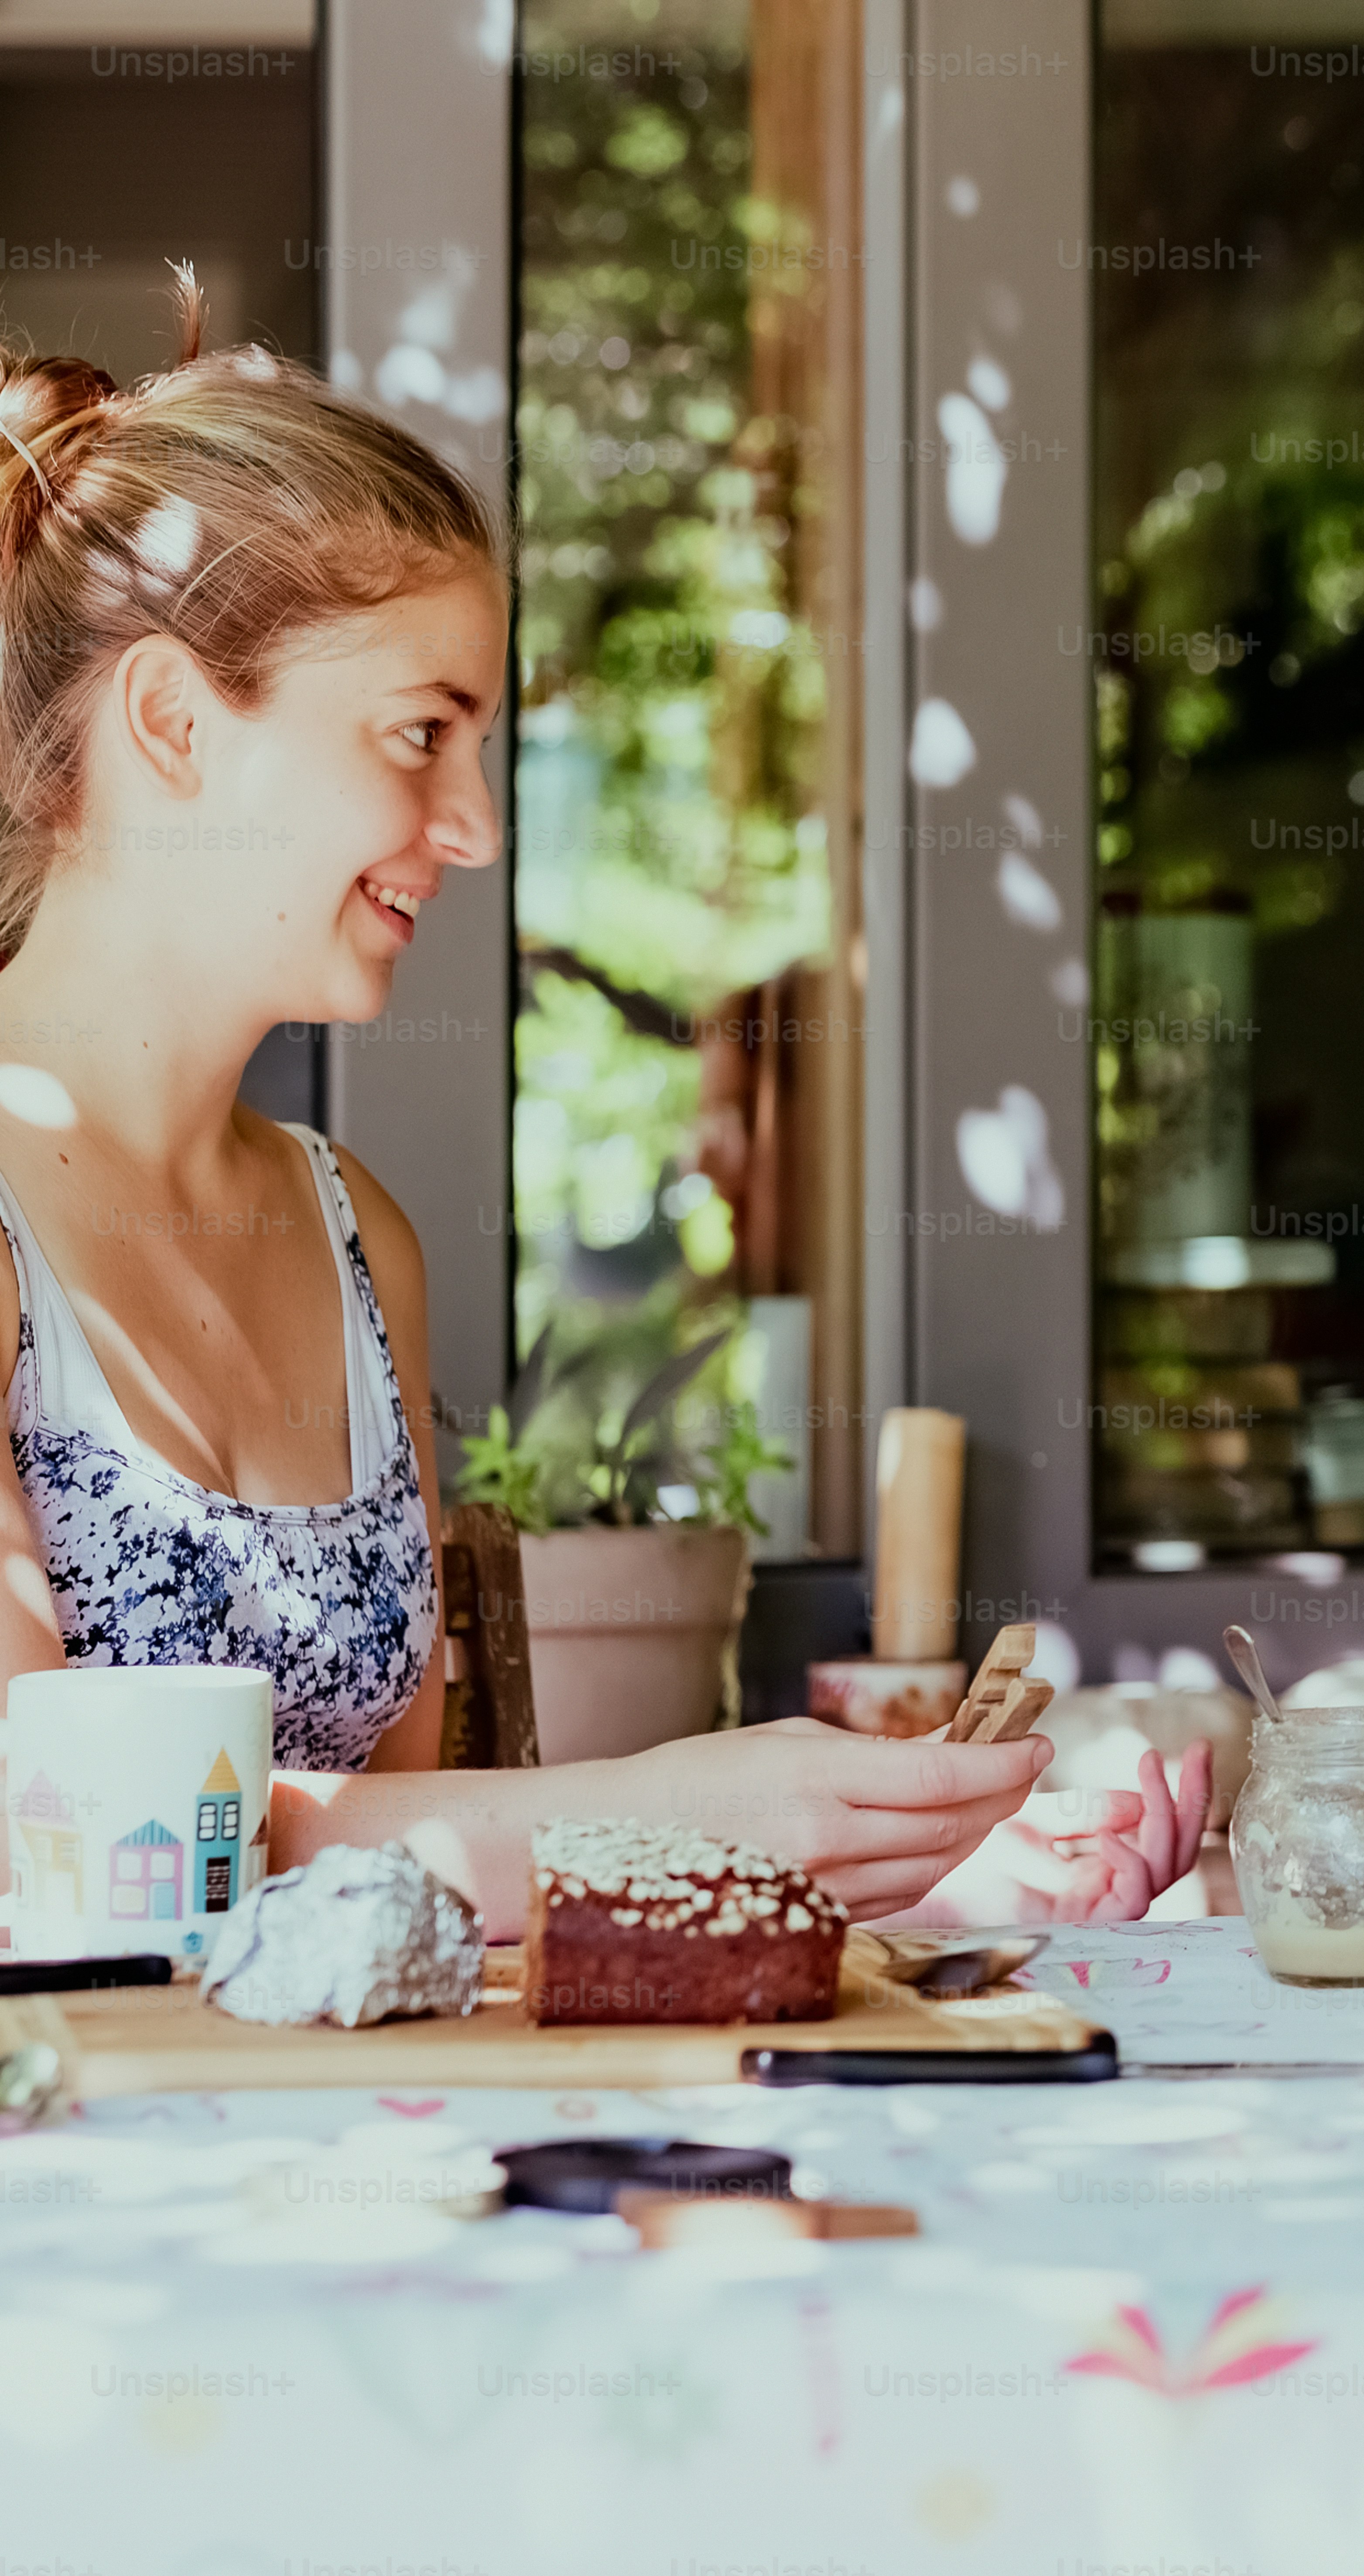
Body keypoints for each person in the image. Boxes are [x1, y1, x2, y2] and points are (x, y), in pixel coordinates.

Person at [0, 286, 1202, 1938]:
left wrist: (893, 1877)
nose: (476, 827)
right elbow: (36, 1842)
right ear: (172, 722)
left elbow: (399, 1897)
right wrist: (680, 1813)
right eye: (422, 734)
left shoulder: (359, 1240)